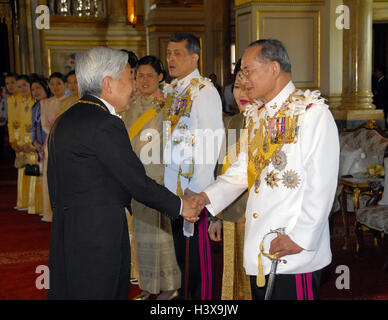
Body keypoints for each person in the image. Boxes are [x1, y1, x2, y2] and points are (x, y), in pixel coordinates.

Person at [46, 46, 203, 300]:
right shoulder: (105, 122)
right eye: (129, 77)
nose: (133, 85)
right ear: (108, 84)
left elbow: (54, 185)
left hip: (68, 233)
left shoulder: (67, 118)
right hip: (99, 238)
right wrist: (180, 206)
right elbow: (136, 181)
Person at [194, 39, 340, 300]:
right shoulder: (259, 114)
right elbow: (243, 169)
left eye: (248, 70)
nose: (243, 78)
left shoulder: (311, 113)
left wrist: (300, 238)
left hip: (292, 249)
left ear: (274, 68)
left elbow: (322, 184)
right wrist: (205, 198)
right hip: (262, 244)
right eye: (242, 72)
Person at [163, 32, 224, 300]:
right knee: (182, 255)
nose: (171, 58)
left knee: (196, 260)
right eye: (168, 53)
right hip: (173, 186)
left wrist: (198, 194)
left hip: (193, 192)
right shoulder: (175, 89)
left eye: (177, 53)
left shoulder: (204, 91)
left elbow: (211, 144)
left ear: (194, 57)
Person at [121, 55, 181, 300]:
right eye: (139, 75)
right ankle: (148, 286)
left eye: (149, 75)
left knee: (162, 234)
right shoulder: (130, 105)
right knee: (142, 233)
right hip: (135, 177)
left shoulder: (169, 105)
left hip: (159, 177)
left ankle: (169, 286)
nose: (144, 80)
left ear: (160, 77)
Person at [208, 59, 252, 300]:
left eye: (247, 86)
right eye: (237, 86)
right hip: (232, 212)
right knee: (235, 279)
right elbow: (222, 170)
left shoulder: (271, 123)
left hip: (258, 216)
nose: (241, 93)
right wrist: (216, 216)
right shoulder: (233, 122)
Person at [40, 72, 67, 222]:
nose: (55, 87)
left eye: (59, 83)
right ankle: (49, 212)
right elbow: (44, 124)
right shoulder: (45, 103)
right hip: (50, 142)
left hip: (66, 143)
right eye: (52, 84)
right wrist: (55, 134)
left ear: (64, 85)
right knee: (49, 177)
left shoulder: (70, 101)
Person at [8, 74, 36, 210]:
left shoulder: (34, 101)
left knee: (34, 171)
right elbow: (13, 123)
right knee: (23, 170)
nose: (22, 88)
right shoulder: (20, 101)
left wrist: (31, 143)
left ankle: (34, 204)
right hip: (21, 140)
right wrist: (13, 141)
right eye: (19, 86)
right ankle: (24, 201)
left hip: (32, 141)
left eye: (24, 85)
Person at [28, 78, 50, 215]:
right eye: (33, 89)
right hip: (40, 146)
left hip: (50, 144)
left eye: (38, 88)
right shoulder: (35, 107)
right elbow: (33, 127)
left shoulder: (52, 103)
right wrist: (35, 142)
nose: (35, 92)